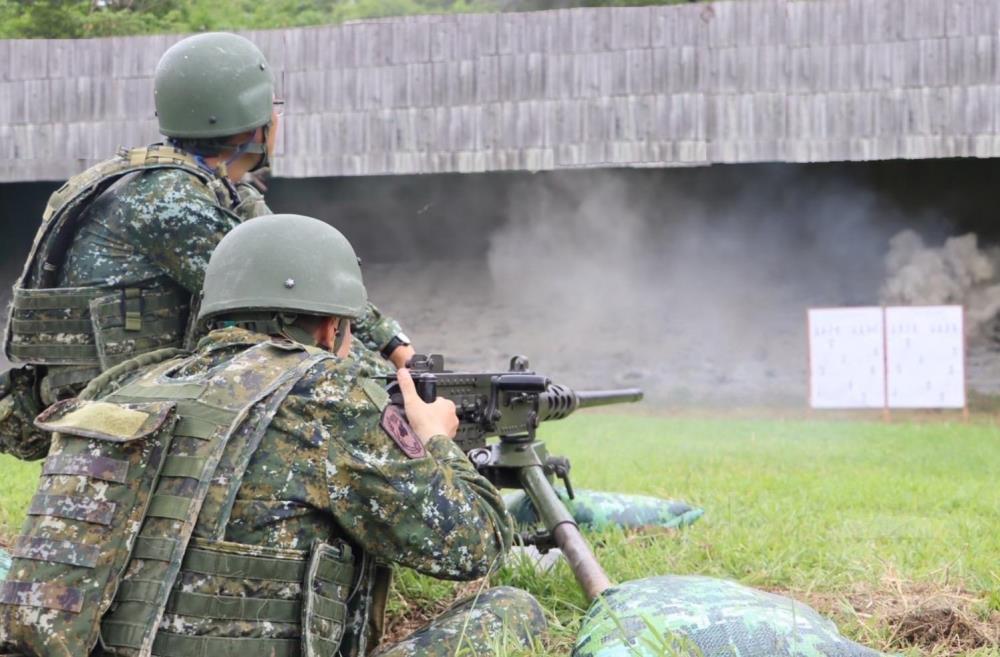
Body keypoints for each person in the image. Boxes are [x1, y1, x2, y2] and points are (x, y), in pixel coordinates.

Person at [0, 214, 545, 657]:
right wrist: (435, 440)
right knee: (513, 609)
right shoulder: (322, 392)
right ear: (333, 329)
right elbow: (476, 546)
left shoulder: (127, 385)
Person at [0, 32, 414, 462]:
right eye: (272, 108)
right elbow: (295, 299)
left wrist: (394, 346)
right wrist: (390, 383)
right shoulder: (168, 202)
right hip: (115, 404)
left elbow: (314, 273)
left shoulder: (202, 187)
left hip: (138, 393)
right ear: (255, 124)